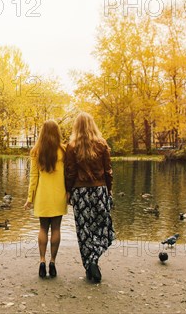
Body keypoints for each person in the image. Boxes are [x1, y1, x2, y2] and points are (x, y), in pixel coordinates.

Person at [64, 112, 115, 283]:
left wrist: (68, 190)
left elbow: (70, 171)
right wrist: (109, 190)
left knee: (84, 230)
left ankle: (90, 263)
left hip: (80, 192)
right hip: (99, 191)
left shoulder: (71, 146)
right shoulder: (102, 144)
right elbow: (108, 170)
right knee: (102, 228)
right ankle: (94, 261)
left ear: (76, 126)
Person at [24, 120, 68, 278]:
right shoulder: (63, 150)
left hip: (42, 195)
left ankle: (42, 261)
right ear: (57, 132)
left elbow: (33, 177)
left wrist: (30, 198)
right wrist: (69, 193)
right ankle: (53, 262)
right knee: (56, 229)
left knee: (43, 228)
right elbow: (67, 175)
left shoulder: (36, 151)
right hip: (59, 195)